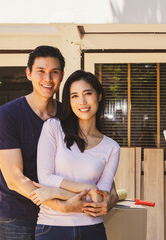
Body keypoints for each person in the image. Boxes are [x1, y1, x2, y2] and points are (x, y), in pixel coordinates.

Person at [0, 46, 118, 240]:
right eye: (41, 71)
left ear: (61, 76)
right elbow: (14, 178)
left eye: (54, 72)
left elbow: (96, 168)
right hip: (18, 215)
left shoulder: (71, 114)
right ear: (28, 73)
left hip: (66, 215)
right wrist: (59, 203)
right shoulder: (9, 114)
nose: (48, 78)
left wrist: (111, 198)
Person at [29, 70, 120, 240]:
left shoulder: (111, 147)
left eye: (88, 94)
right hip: (52, 227)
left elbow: (99, 200)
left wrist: (59, 193)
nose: (82, 102)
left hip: (92, 230)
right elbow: (45, 178)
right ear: (68, 102)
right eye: (74, 96)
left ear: (99, 96)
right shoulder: (53, 128)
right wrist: (90, 188)